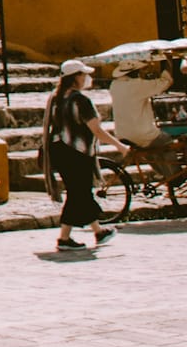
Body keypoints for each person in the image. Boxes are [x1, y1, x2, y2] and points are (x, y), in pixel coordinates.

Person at [41, 59, 128, 251]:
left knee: (79, 192)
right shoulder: (81, 100)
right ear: (76, 78)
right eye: (84, 74)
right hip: (76, 152)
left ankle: (98, 231)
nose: (87, 78)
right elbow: (97, 130)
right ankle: (64, 238)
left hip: (58, 150)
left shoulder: (56, 98)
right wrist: (119, 146)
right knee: (78, 192)